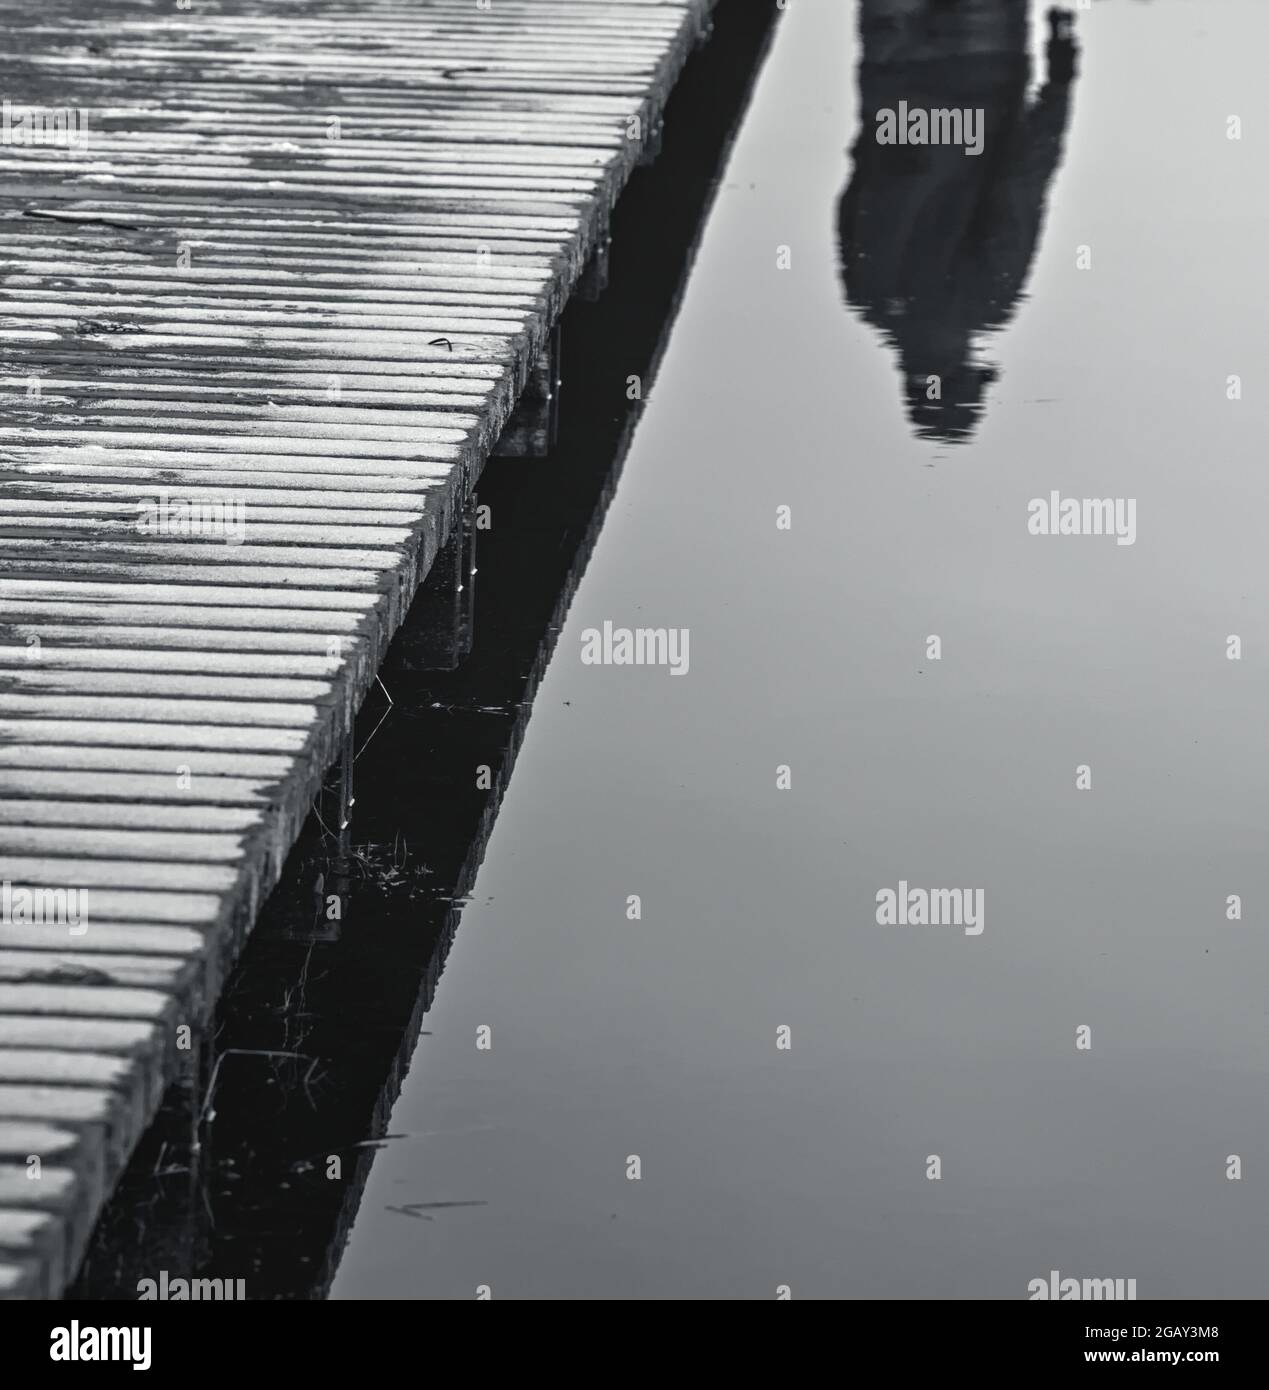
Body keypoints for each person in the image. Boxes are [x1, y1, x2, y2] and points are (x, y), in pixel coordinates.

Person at [839, 3, 1079, 444]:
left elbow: (1022, 184)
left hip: (980, 59)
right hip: (890, 57)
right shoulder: (864, 294)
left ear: (962, 373)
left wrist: (1061, 80)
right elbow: (856, 183)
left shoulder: (985, 301)